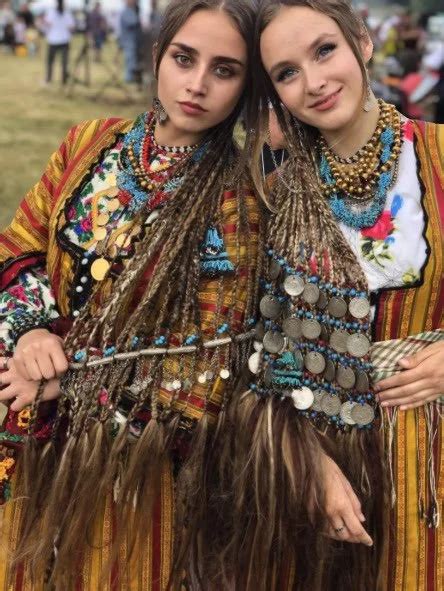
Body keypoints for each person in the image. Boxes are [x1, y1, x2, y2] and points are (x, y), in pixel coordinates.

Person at [0, 0, 260, 588]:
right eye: (184, 59)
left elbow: (216, 358)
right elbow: (17, 247)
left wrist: (77, 379)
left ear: (247, 86)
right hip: (21, 416)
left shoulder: (237, 203)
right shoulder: (88, 143)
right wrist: (33, 331)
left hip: (127, 468)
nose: (196, 84)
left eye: (224, 70)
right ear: (157, 56)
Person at [191, 1, 442, 589]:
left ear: (363, 42)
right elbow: (253, 355)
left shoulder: (436, 157)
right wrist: (305, 465)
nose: (316, 82)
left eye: (324, 50)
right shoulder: (272, 196)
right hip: (322, 468)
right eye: (287, 72)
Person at [41, 0, 75, 85]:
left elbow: (46, 24)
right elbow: (72, 27)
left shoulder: (52, 12)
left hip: (54, 39)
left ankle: (49, 79)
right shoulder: (67, 13)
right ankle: (63, 80)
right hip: (62, 39)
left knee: (51, 61)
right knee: (63, 62)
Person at [119, 0, 142, 83]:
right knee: (130, 59)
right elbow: (133, 22)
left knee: (133, 59)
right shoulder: (126, 12)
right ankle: (129, 78)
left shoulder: (132, 11)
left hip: (133, 40)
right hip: (129, 40)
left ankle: (132, 77)